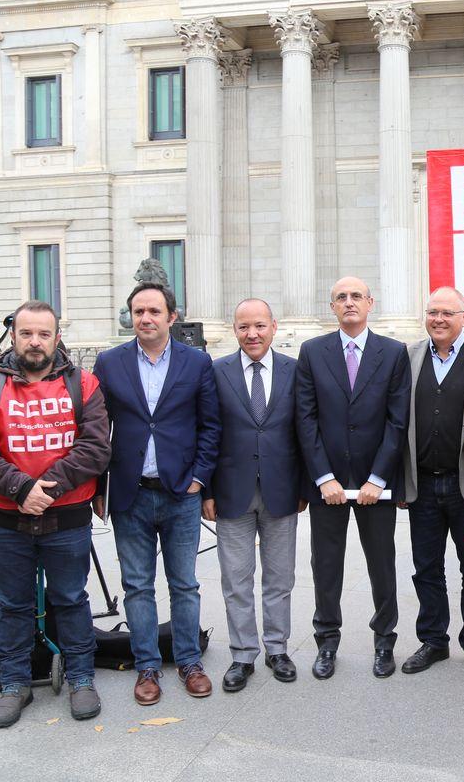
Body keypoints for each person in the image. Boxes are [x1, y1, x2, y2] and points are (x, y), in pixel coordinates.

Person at [0, 300, 110, 727]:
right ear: (13, 336)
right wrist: (21, 488)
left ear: (57, 338)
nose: (35, 342)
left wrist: (47, 489)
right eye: (26, 333)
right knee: (12, 605)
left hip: (67, 518)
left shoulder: (85, 385)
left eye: (44, 334)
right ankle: (14, 684)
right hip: (7, 520)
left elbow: (96, 448)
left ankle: (81, 678)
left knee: (71, 599)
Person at [92, 282, 221, 705]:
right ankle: (146, 666)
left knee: (184, 584)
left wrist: (200, 479)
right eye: (138, 311)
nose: (145, 318)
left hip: (180, 492)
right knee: (136, 586)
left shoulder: (197, 362)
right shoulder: (109, 363)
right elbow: (95, 431)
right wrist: (98, 488)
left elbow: (210, 426)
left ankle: (188, 661)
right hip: (129, 493)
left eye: (153, 311)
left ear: (171, 316)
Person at [295, 276, 411, 680]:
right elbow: (305, 418)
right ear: (332, 306)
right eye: (340, 297)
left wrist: (379, 478)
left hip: (374, 486)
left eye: (355, 296)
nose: (348, 302)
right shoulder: (312, 352)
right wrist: (323, 477)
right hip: (328, 483)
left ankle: (384, 642)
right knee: (326, 566)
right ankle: (326, 642)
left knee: (382, 564)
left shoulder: (393, 353)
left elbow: (397, 421)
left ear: (370, 303)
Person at [399, 287, 464, 682]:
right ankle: (433, 639)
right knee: (426, 568)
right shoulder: (408, 358)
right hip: (423, 484)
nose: (438, 319)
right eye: (432, 312)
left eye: (447, 312)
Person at [203, 299, 304, 693]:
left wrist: (304, 488)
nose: (252, 334)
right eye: (244, 327)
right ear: (234, 330)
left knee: (280, 579)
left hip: (282, 492)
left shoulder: (295, 371)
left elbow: (303, 433)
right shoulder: (217, 372)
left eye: (259, 326)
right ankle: (242, 654)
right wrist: (207, 491)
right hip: (231, 494)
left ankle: (277, 649)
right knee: (236, 580)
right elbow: (208, 432)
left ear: (274, 327)